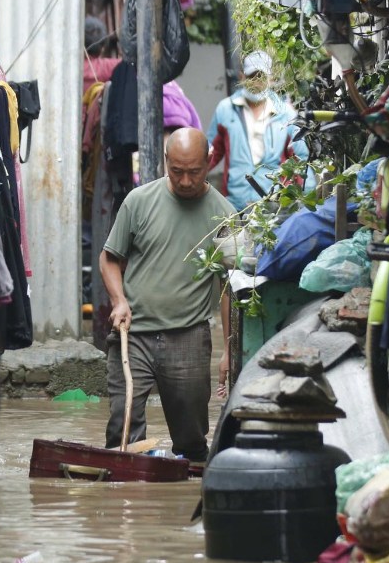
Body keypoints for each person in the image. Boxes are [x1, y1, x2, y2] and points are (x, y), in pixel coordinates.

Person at [100, 128, 234, 462]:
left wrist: (229, 349)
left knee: (191, 439)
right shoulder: (139, 201)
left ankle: (182, 501)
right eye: (176, 171)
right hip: (134, 335)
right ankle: (127, 505)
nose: (186, 181)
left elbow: (229, 286)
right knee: (123, 428)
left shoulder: (224, 214)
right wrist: (119, 300)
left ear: (208, 163)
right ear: (165, 163)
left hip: (188, 336)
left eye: (194, 171)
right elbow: (110, 258)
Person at [207, 49, 308, 211]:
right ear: (242, 77)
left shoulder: (286, 113)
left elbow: (301, 158)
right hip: (235, 203)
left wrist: (305, 201)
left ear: (271, 78)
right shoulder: (226, 109)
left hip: (276, 203)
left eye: (261, 76)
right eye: (251, 76)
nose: (256, 82)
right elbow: (211, 152)